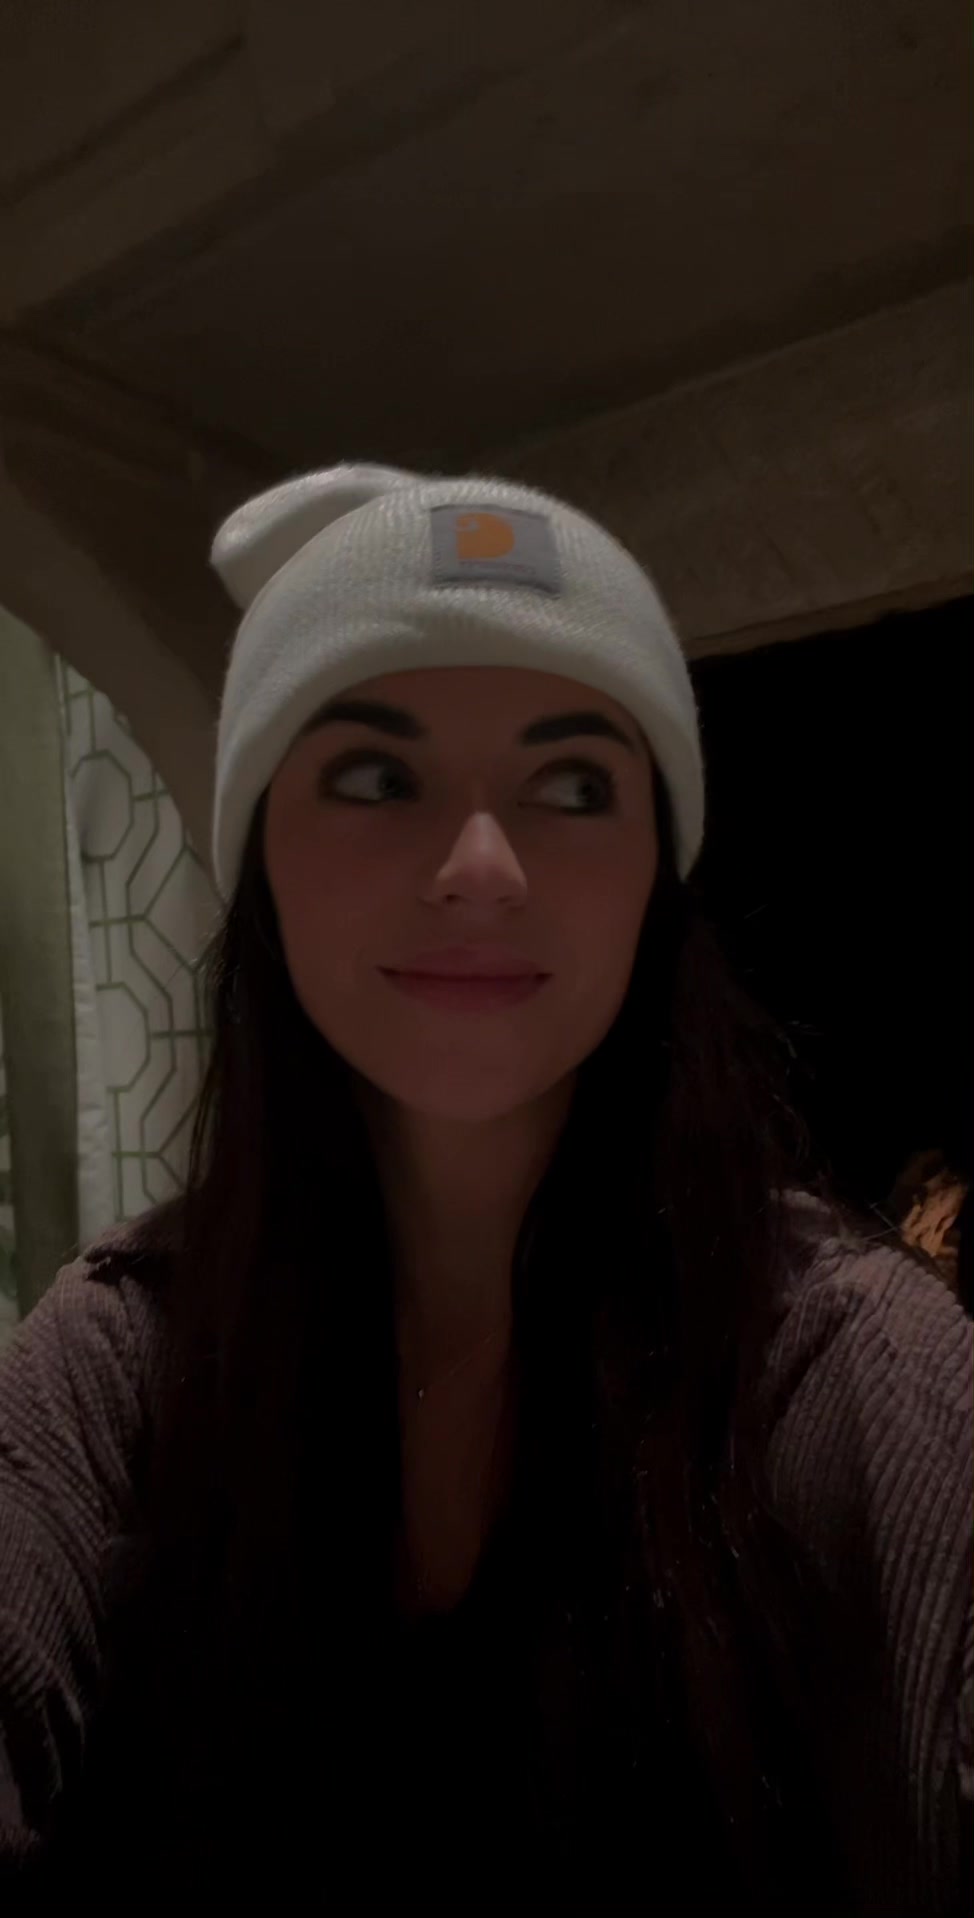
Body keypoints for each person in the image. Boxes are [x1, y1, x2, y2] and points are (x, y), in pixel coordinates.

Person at [0, 466, 970, 1917]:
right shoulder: (120, 1358)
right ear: (261, 857)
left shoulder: (849, 1366)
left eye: (574, 784)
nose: (478, 868)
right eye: (376, 777)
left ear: (654, 875)